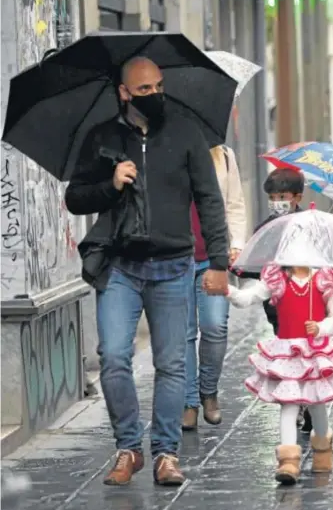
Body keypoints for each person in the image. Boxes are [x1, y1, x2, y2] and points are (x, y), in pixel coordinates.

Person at [65, 56, 229, 487]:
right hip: (120, 267)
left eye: (159, 86)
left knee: (172, 364)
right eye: (144, 90)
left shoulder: (185, 133)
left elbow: (210, 199)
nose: (156, 95)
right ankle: (128, 449)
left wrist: (218, 262)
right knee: (114, 357)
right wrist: (110, 183)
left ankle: (166, 455)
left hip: (175, 266)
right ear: (123, 93)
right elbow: (75, 198)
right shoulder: (102, 138)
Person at [225, 264, 333, 485]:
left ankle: (323, 445)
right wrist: (227, 290)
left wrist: (321, 327)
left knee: (317, 404)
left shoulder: (323, 281)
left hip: (315, 352)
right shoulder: (277, 280)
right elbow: (247, 298)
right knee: (289, 403)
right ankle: (288, 460)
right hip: (287, 353)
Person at [234, 168, 312, 431]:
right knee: (289, 356)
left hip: (307, 304)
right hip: (278, 307)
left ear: (297, 197)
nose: (277, 202)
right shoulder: (265, 229)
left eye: (282, 196)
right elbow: (255, 264)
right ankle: (297, 402)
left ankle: (310, 400)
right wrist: (239, 268)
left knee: (308, 354)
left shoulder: (310, 225)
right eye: (272, 197)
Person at [183, 145, 247, 430]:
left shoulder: (223, 155)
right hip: (176, 257)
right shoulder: (165, 148)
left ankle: (208, 391)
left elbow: (234, 204)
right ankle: (188, 403)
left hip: (213, 256)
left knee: (214, 325)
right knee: (182, 333)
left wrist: (235, 245)